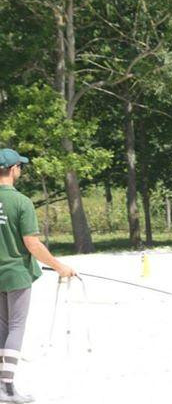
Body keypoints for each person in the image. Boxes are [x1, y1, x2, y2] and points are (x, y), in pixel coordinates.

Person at [0, 149, 76, 403]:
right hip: (16, 275)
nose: (21, 170)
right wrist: (58, 266)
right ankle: (7, 388)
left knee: (2, 328)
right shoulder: (21, 202)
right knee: (16, 327)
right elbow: (32, 244)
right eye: (20, 166)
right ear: (13, 170)